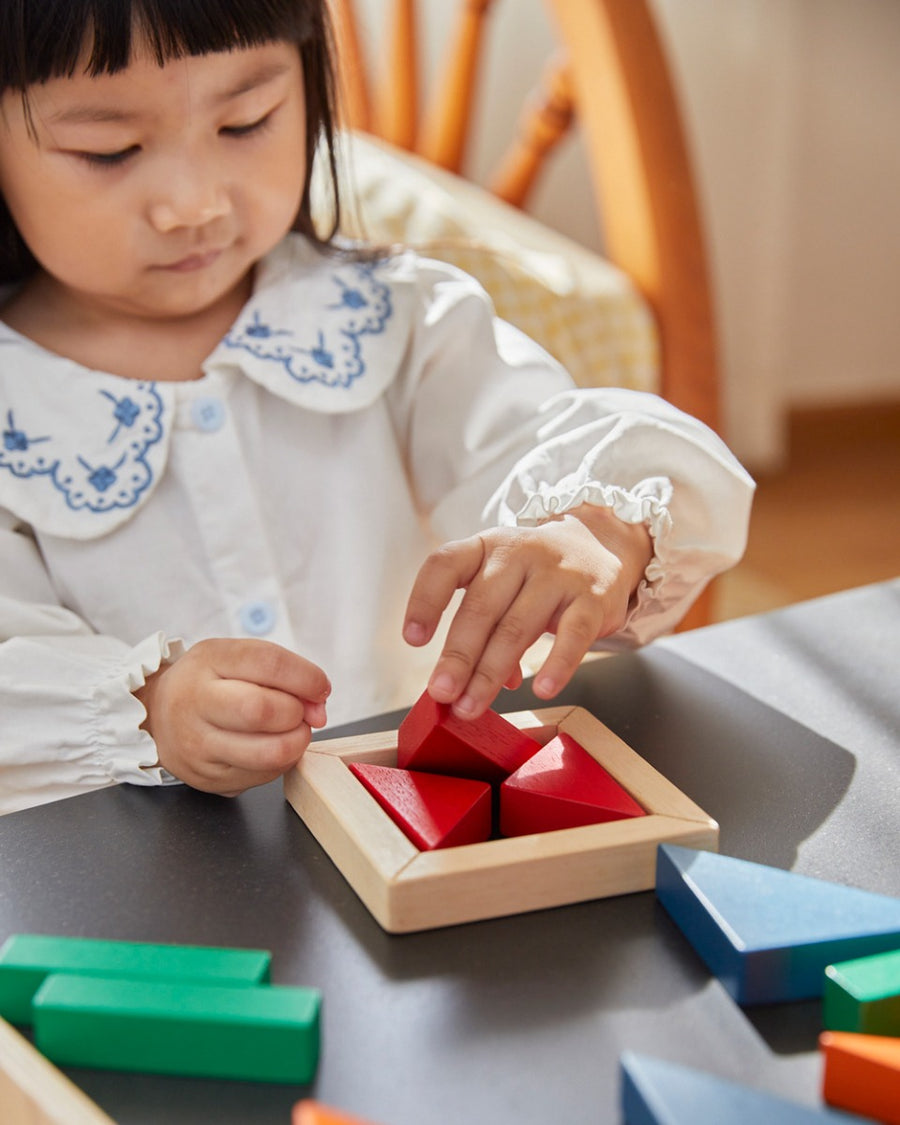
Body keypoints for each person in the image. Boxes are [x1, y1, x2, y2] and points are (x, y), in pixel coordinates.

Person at [0, 0, 754, 816]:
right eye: (109, 151)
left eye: (247, 121)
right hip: (146, 902)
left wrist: (596, 529)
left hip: (421, 847)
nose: (193, 203)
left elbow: (562, 446)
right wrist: (149, 710)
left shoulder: (392, 320)